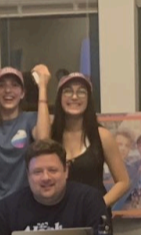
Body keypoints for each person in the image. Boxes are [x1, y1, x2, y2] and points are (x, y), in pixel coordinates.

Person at [0, 140, 107, 235]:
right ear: (28, 175)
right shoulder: (7, 209)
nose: (46, 178)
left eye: (52, 170)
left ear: (66, 171)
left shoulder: (89, 200)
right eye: (37, 172)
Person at [0, 65, 51, 220]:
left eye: (14, 85)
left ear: (22, 93)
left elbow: (43, 139)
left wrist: (42, 87)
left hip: (25, 205)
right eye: (1, 86)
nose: (8, 91)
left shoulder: (30, 119)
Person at [49, 73, 130, 209]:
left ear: (89, 99)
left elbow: (123, 182)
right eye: (68, 91)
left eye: (81, 92)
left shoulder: (102, 136)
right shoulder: (50, 136)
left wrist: (97, 206)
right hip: (57, 217)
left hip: (94, 220)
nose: (74, 97)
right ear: (59, 98)